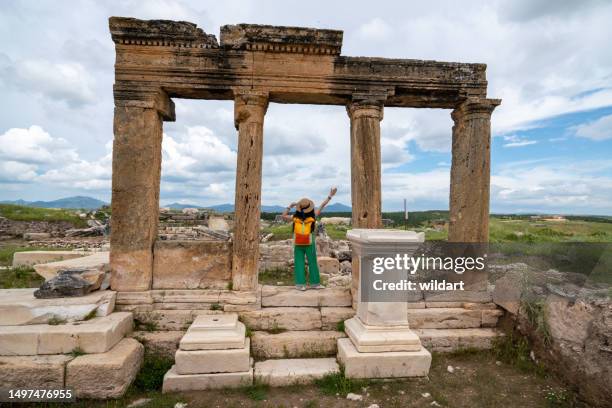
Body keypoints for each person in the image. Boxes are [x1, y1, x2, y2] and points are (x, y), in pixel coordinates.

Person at [282, 187, 338, 291]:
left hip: (298, 243)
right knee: (312, 262)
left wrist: (290, 206)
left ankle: (300, 285)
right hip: (309, 243)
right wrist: (330, 196)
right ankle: (315, 284)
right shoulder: (313, 216)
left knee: (299, 262)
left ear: (299, 208)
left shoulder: (295, 218)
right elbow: (322, 205)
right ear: (310, 208)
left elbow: (283, 216)